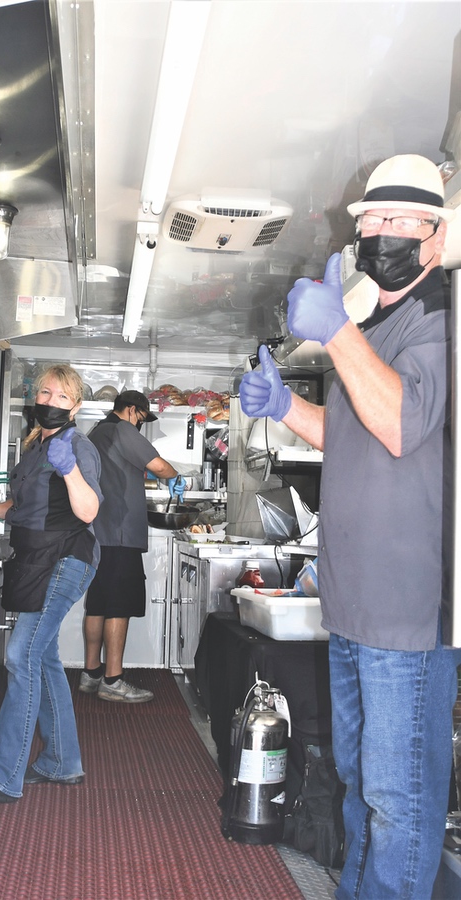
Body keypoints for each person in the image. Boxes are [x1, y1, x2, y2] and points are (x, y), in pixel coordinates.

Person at [239, 155, 460, 899]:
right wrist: (282, 410)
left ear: (433, 239)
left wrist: (334, 333)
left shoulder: (441, 320)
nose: (378, 233)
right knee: (362, 785)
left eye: (398, 221)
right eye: (370, 220)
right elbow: (353, 431)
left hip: (405, 615)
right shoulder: (379, 321)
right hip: (353, 605)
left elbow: (400, 423)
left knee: (398, 803)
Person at [0, 364, 103, 802]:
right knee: (45, 659)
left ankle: (2, 774)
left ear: (75, 405)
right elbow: (24, 503)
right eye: (45, 393)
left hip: (65, 560)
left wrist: (71, 471)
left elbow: (89, 510)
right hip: (38, 559)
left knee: (21, 655)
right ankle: (62, 762)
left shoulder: (77, 446)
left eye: (61, 396)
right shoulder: (39, 445)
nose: (50, 401)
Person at [80, 389, 184, 703]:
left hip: (99, 532)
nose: (141, 423)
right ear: (131, 410)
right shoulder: (122, 428)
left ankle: (91, 673)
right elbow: (161, 466)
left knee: (97, 604)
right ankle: (113, 680)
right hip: (121, 533)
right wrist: (175, 477)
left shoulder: (97, 431)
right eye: (142, 417)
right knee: (119, 606)